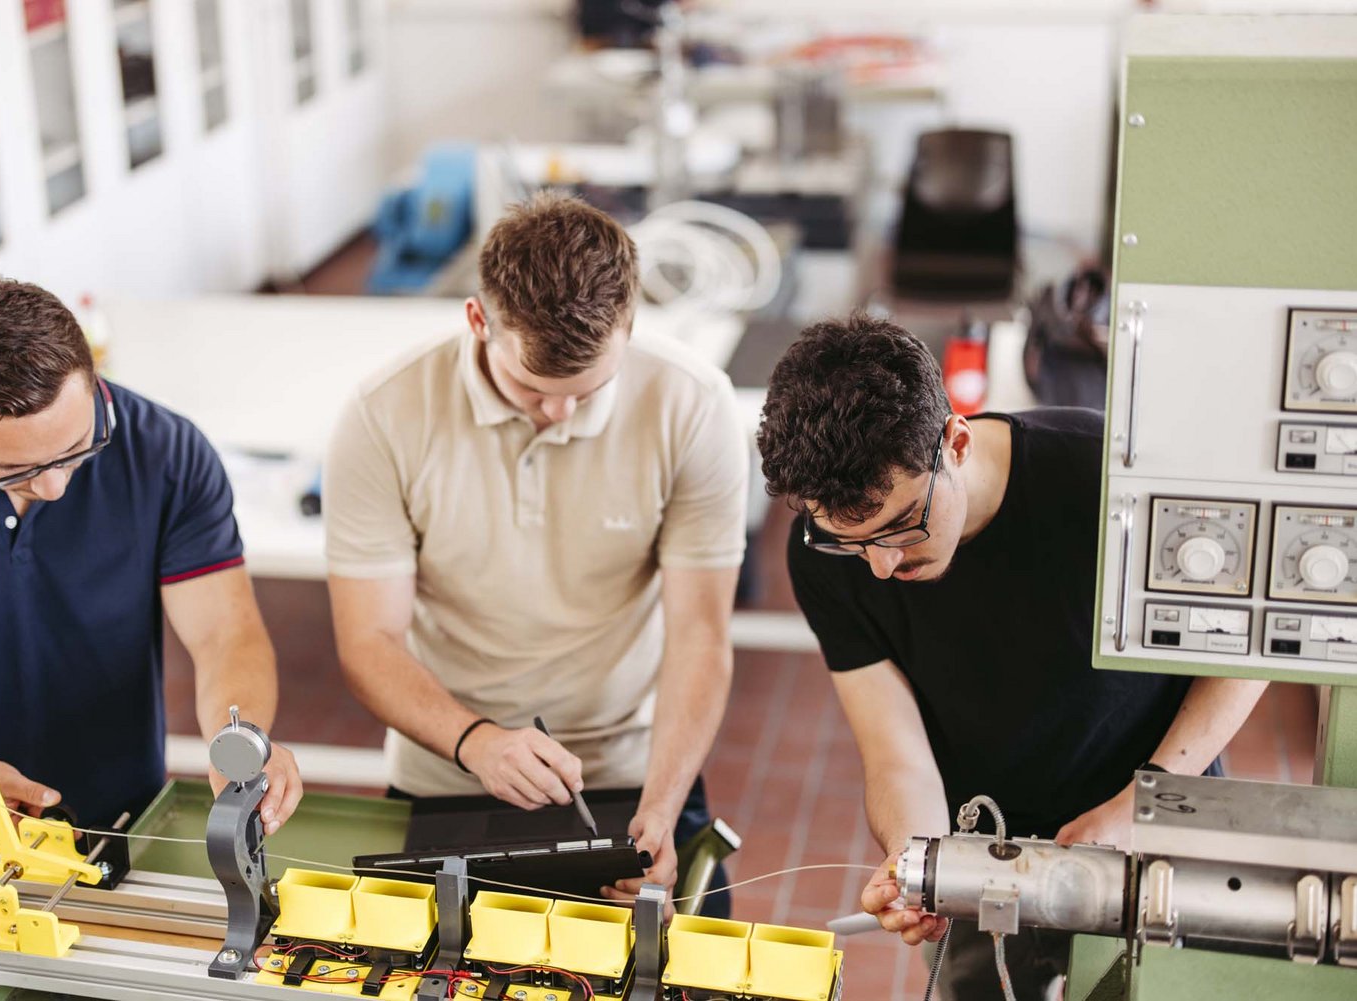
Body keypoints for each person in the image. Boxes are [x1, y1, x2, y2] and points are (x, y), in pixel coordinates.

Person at [757, 314, 1265, 998]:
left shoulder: (1107, 481)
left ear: (955, 441)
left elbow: (1245, 647)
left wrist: (1144, 801)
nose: (878, 565)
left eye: (901, 527)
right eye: (851, 542)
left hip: (1162, 807)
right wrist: (920, 863)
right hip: (989, 854)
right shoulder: (824, 557)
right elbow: (896, 751)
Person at [324, 193, 747, 914]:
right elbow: (369, 640)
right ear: (477, 319)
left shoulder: (695, 405)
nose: (558, 414)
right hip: (448, 770)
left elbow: (701, 634)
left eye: (589, 391)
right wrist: (477, 741)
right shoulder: (382, 413)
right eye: (532, 387)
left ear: (629, 326)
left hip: (634, 771)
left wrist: (664, 809)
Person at [0, 276, 303, 896]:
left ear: (91, 374)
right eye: (14, 470)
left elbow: (225, 632)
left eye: (75, 449)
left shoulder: (166, 450)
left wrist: (241, 741)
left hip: (124, 833)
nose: (54, 487)